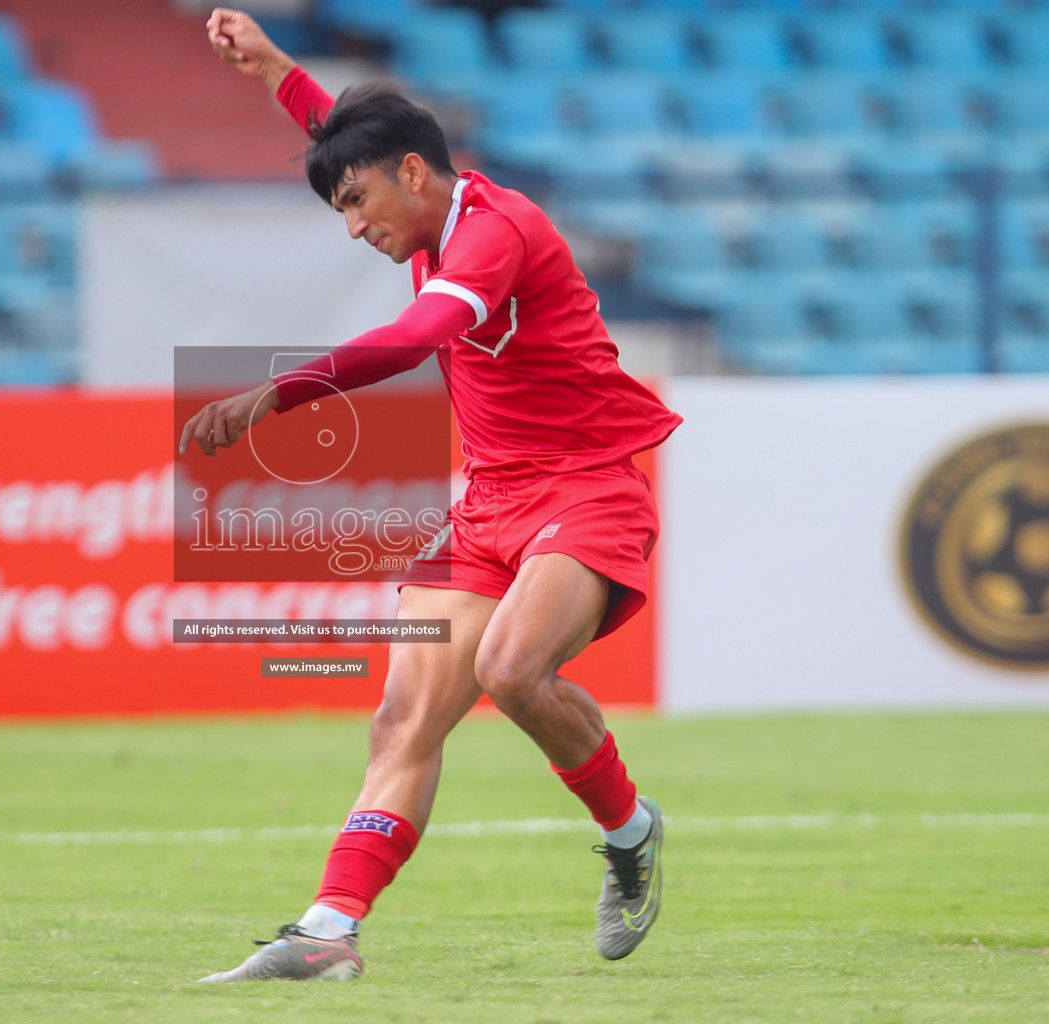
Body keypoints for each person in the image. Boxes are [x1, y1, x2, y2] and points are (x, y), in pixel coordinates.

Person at [182, 8, 682, 983]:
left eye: (359, 203)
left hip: (585, 491)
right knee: (403, 718)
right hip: (490, 503)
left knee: (511, 668)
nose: (357, 225)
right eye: (341, 212)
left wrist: (278, 390)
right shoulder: (414, 195)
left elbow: (415, 341)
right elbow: (354, 131)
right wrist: (279, 67)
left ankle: (631, 831)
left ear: (415, 176)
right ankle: (329, 929)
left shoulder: (498, 231)